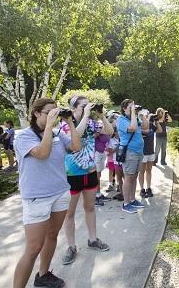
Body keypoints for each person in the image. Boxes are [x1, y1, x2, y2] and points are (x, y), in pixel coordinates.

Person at [3, 98, 82, 288]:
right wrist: (50, 126)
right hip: (37, 198)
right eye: (49, 112)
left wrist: (70, 122)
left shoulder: (58, 132)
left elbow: (76, 147)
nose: (53, 116)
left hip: (59, 193)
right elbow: (42, 153)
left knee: (51, 236)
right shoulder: (22, 136)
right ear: (36, 113)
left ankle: (43, 275)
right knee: (32, 248)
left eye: (55, 112)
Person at [61, 95, 111, 266]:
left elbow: (110, 132)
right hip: (72, 174)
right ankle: (71, 246)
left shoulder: (91, 122)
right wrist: (85, 116)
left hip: (90, 171)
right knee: (70, 213)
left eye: (88, 105)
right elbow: (77, 137)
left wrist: (102, 115)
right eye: (83, 106)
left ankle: (92, 239)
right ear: (73, 107)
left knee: (90, 207)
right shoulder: (65, 123)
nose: (87, 108)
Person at [116, 99, 149, 213]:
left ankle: (132, 199)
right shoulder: (121, 120)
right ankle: (126, 203)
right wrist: (134, 114)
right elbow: (133, 128)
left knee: (134, 176)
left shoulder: (134, 118)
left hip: (139, 151)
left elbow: (145, 127)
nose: (133, 109)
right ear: (124, 108)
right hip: (130, 151)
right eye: (131, 107)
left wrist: (143, 115)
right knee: (128, 177)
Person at [94, 116, 114, 206]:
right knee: (96, 175)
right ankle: (96, 196)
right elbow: (93, 136)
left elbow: (109, 134)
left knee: (99, 175)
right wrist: (99, 130)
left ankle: (98, 194)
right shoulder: (97, 124)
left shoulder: (107, 127)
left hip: (102, 153)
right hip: (96, 153)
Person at [139, 111, 158, 198]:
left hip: (151, 151)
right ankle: (142, 189)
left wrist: (156, 120)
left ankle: (148, 188)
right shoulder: (140, 125)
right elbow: (144, 132)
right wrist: (144, 120)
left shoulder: (151, 125)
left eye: (147, 115)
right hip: (143, 152)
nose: (146, 117)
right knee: (142, 171)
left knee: (149, 170)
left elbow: (160, 130)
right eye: (144, 115)